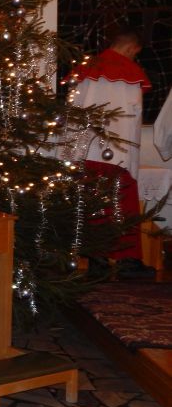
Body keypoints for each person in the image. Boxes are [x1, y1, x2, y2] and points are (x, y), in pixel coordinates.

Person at [67, 30, 154, 278]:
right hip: (119, 151)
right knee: (122, 208)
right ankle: (128, 262)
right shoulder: (131, 73)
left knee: (93, 207)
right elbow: (133, 119)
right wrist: (132, 159)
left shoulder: (86, 68)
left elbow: (73, 109)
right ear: (131, 49)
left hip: (88, 150)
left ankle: (97, 260)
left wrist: (72, 151)